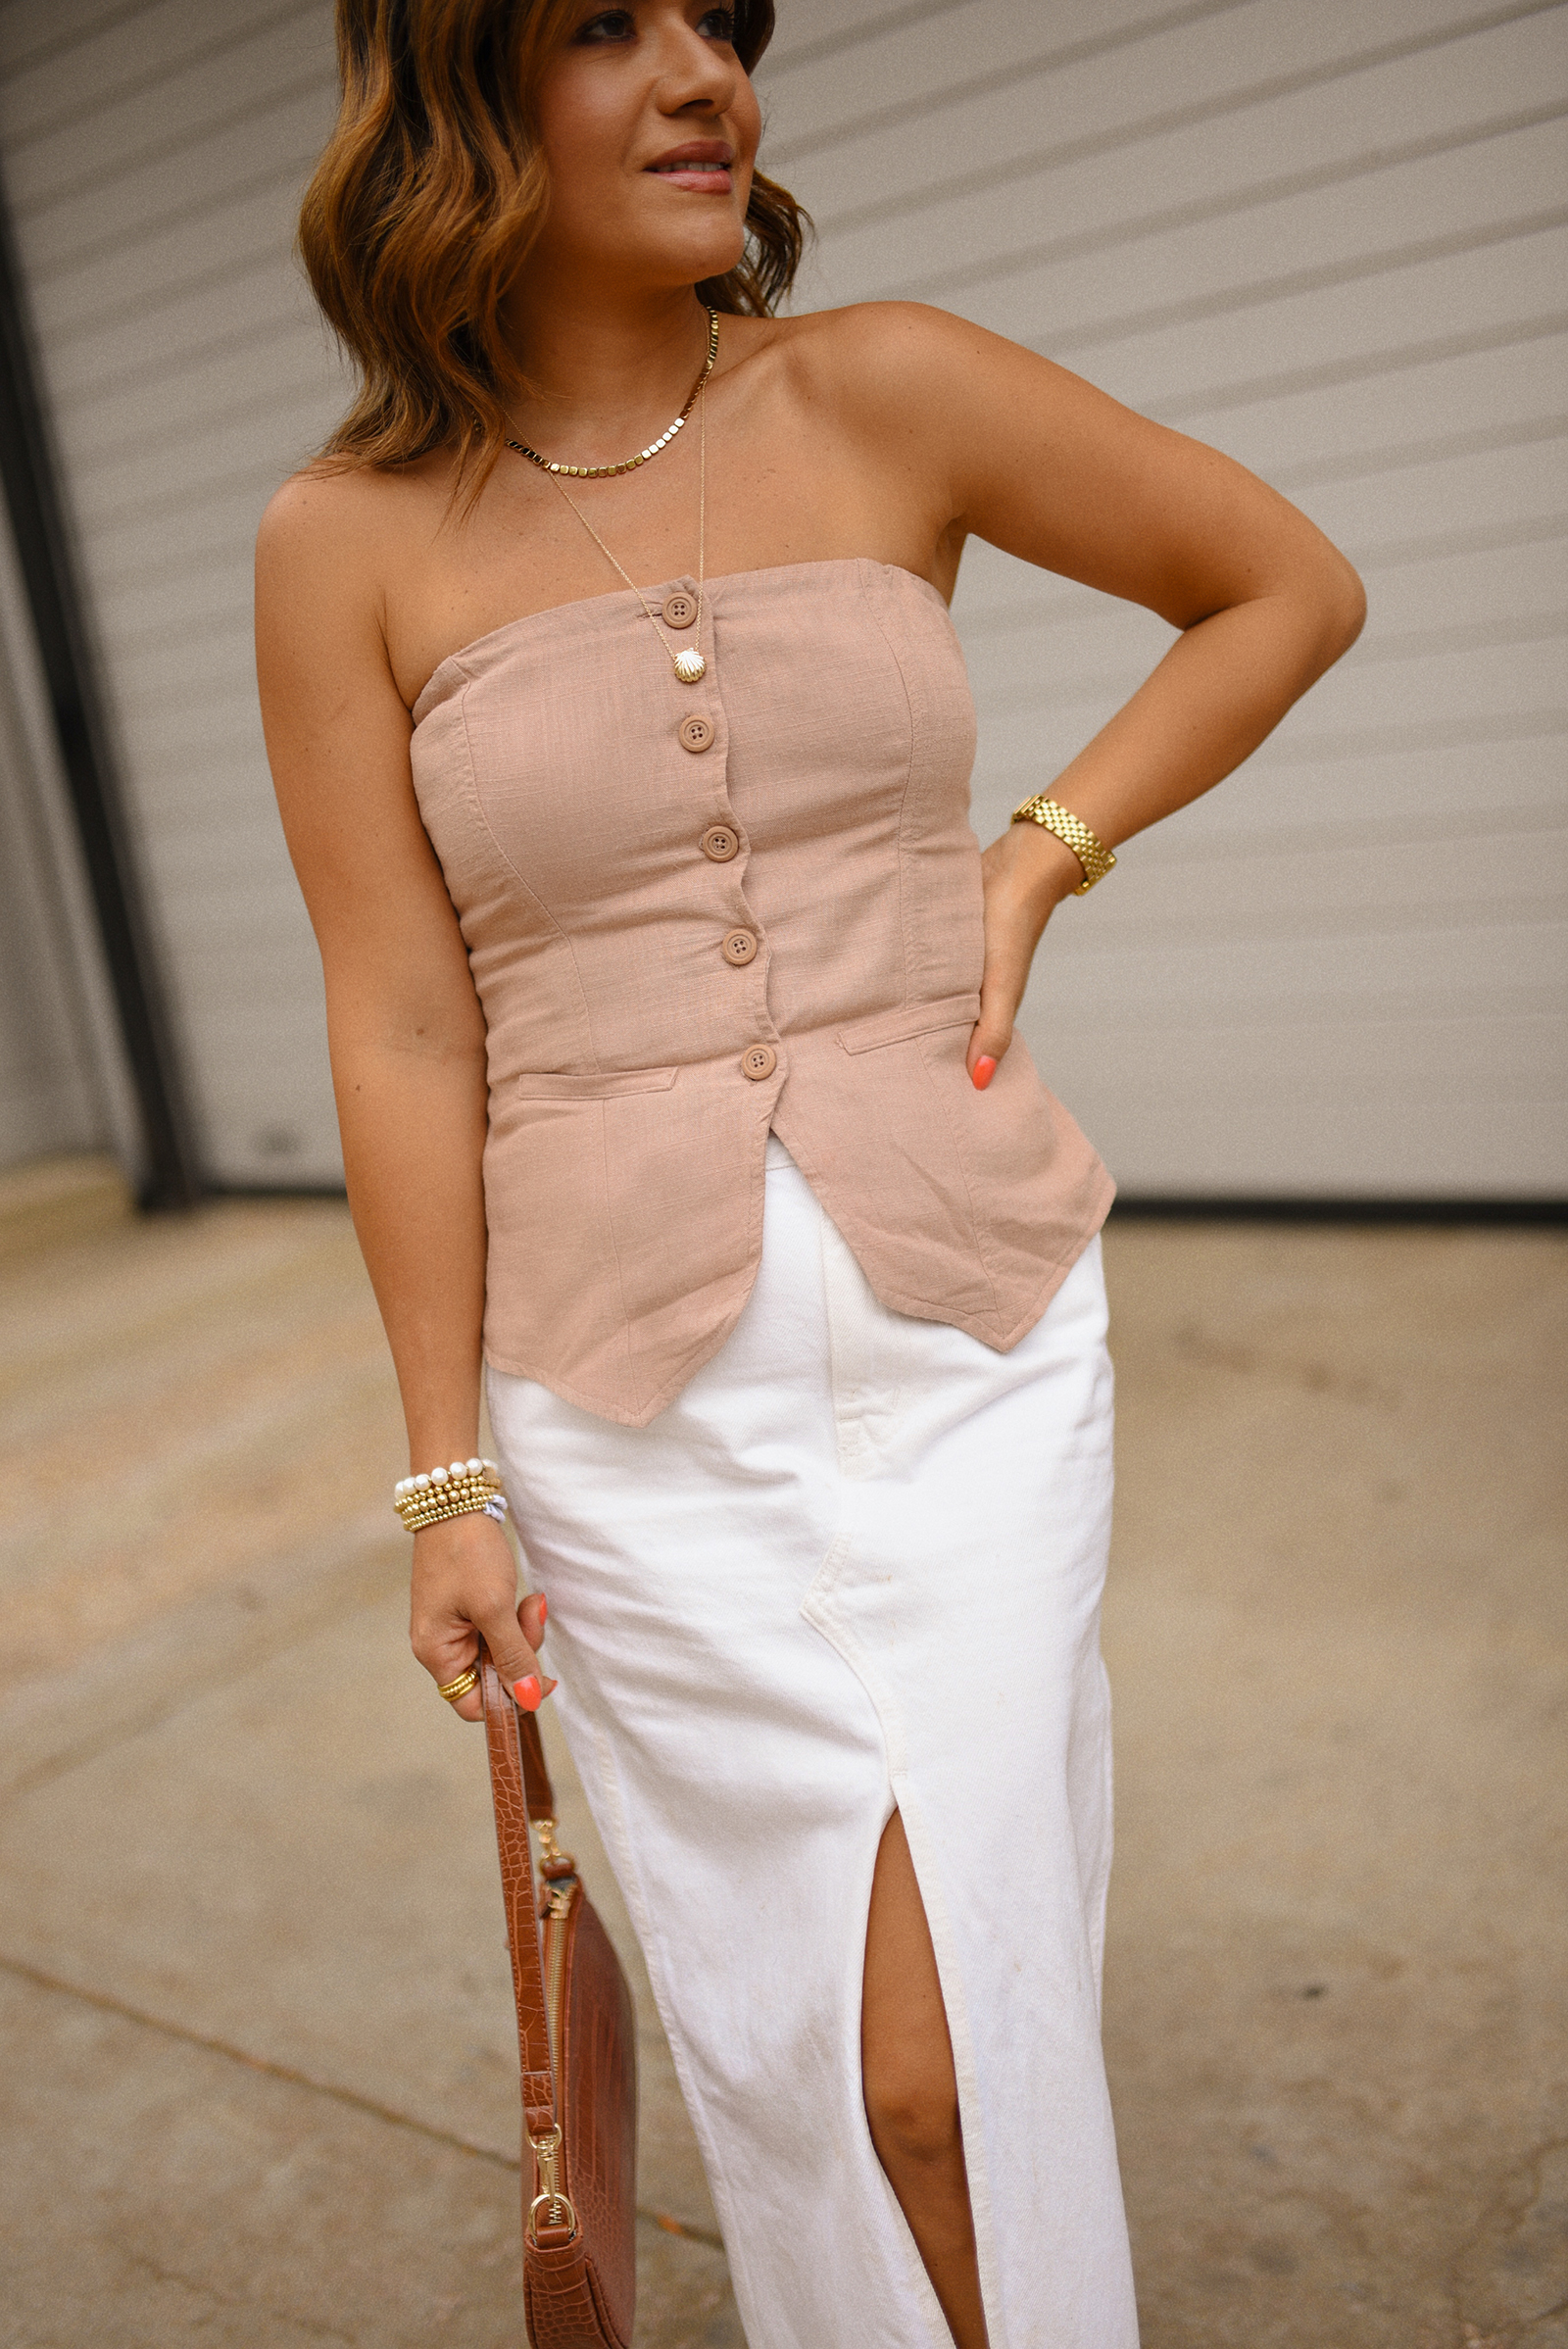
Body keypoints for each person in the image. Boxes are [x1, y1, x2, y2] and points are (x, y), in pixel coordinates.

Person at [255, 5, 1363, 2343]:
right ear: (455, 101)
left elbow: (1278, 582)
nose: (699, 79)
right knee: (807, 2076)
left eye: (718, 29)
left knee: (945, 2064)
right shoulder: (338, 543)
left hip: (972, 1352)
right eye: (601, 28)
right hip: (628, 1432)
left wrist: (1043, 850)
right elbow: (400, 1018)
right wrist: (445, 1469)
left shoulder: (886, 388)